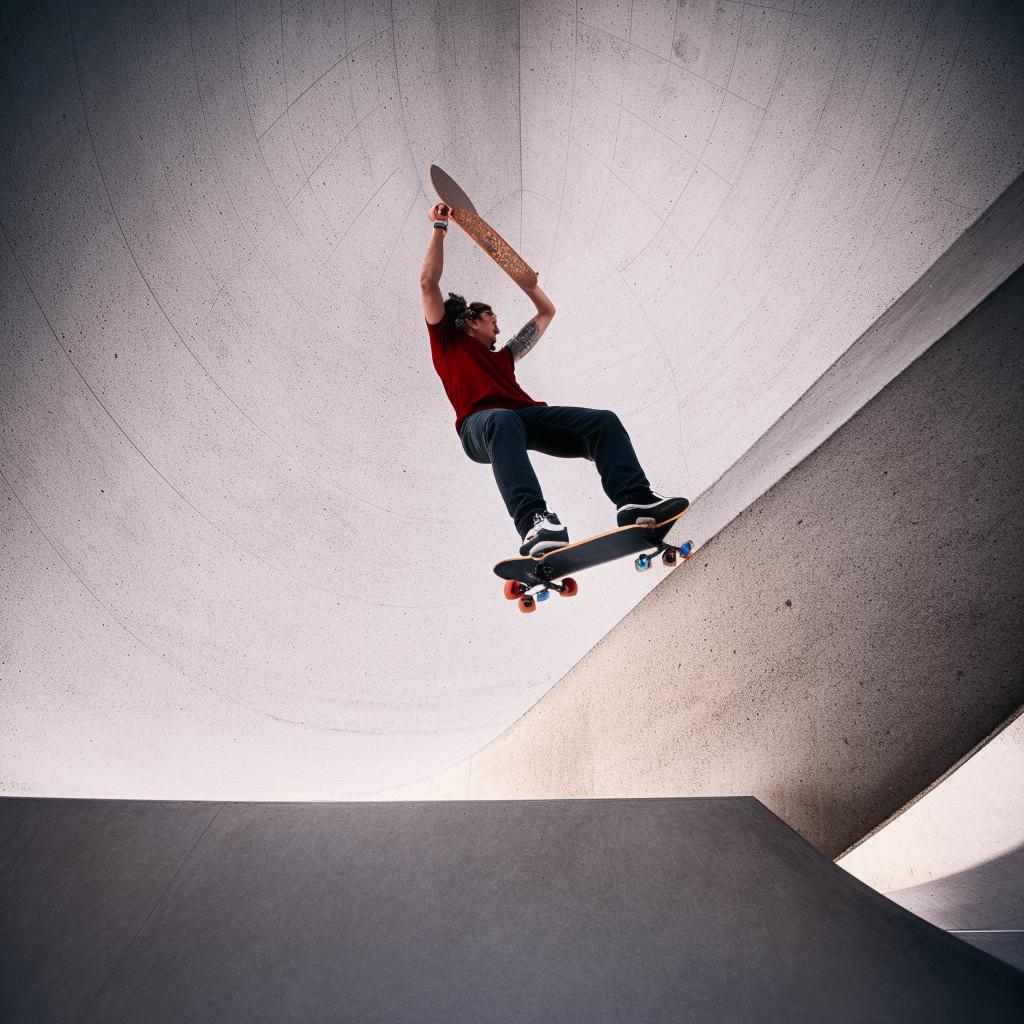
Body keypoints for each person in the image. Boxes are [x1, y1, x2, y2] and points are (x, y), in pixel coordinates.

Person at [420, 201, 688, 556]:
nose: (498, 326)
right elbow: (428, 283)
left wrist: (528, 283)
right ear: (471, 319)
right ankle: (533, 522)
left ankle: (634, 500)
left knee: (602, 423)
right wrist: (440, 228)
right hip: (479, 427)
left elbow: (546, 313)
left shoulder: (505, 358)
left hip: (524, 420)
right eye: (491, 318)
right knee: (501, 420)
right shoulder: (446, 341)